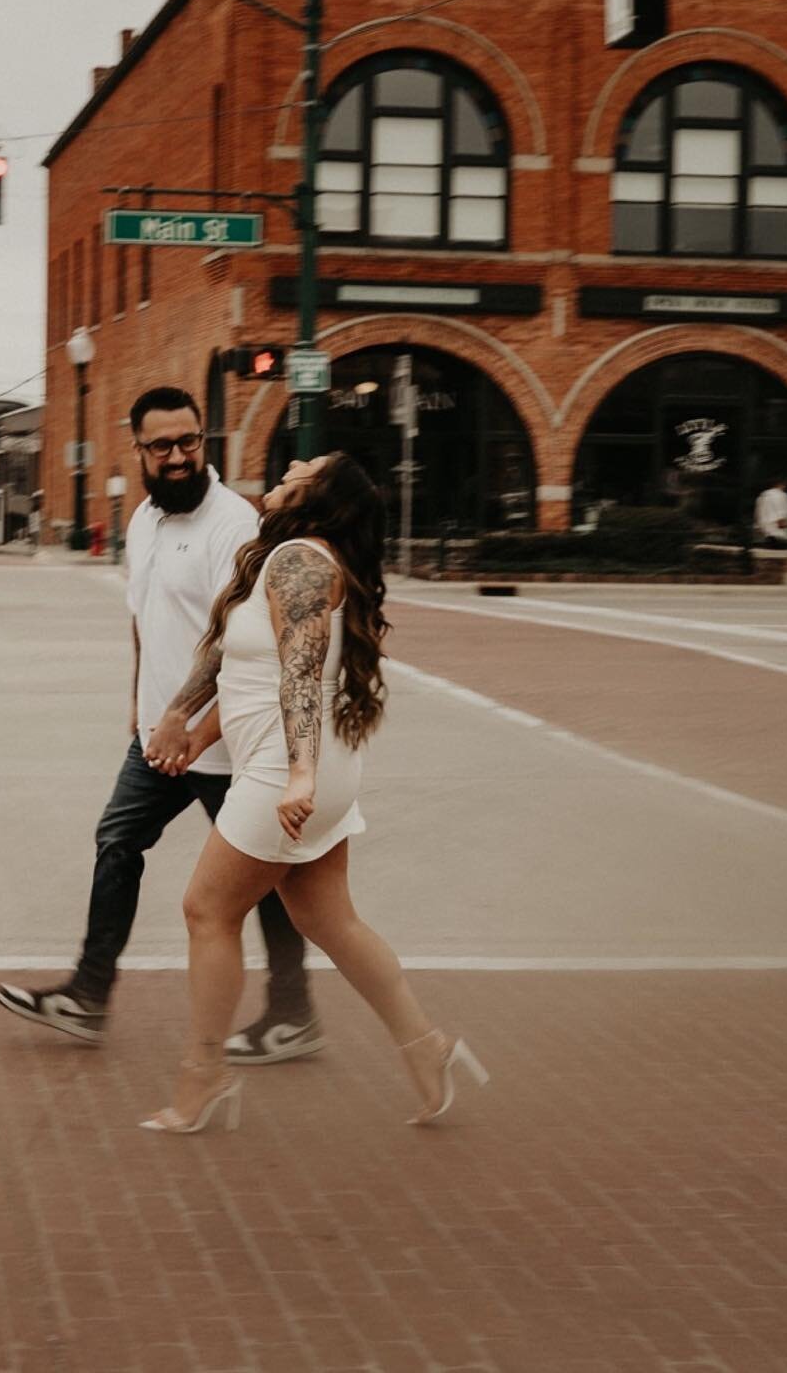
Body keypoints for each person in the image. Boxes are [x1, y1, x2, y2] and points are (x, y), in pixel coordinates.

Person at [138, 451, 488, 1135]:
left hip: (288, 770)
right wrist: (186, 720)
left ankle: (201, 1079)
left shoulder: (302, 561)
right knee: (330, 922)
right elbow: (237, 662)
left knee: (206, 910)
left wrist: (297, 774)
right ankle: (428, 1048)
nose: (291, 463)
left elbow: (300, 675)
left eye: (307, 464)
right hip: (302, 765)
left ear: (319, 494)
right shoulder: (283, 557)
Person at [0, 387, 322, 1063]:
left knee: (270, 882)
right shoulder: (142, 519)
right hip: (158, 738)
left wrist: (183, 718)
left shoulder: (235, 525)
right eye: (162, 446)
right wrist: (140, 704)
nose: (178, 457)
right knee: (118, 841)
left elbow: (239, 638)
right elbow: (145, 619)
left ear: (205, 440)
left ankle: (294, 1012)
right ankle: (88, 995)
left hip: (225, 741)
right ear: (137, 448)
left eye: (189, 442)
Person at [753, 476, 787, 549]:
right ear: (780, 485)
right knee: (780, 551)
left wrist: (757, 526)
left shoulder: (761, 497)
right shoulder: (781, 495)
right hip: (778, 528)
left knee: (770, 551)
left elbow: (758, 512)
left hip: (767, 531)